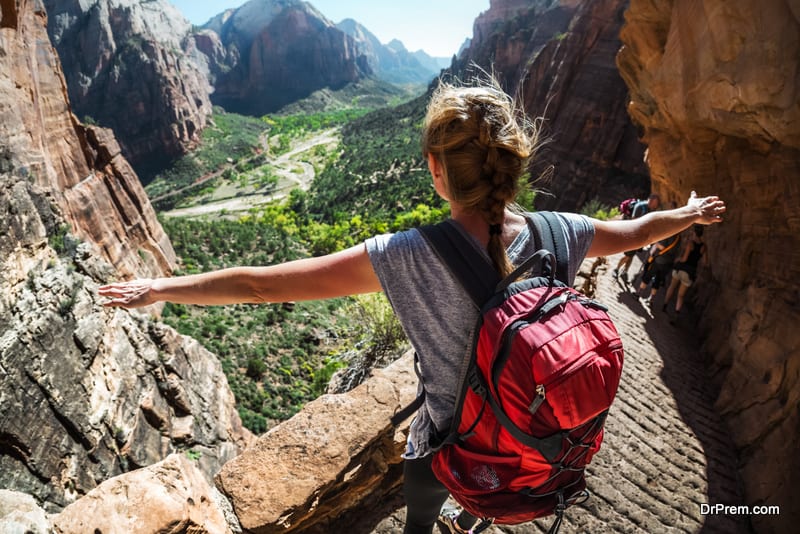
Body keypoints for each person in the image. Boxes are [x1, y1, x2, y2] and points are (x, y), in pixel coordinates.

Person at [98, 78, 727, 534]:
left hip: (449, 447)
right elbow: (640, 234)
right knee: (495, 486)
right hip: (543, 443)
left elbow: (261, 285)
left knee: (420, 512)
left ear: (435, 170)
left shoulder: (407, 255)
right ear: (512, 164)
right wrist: (689, 214)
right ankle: (481, 514)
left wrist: (159, 288)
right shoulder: (563, 230)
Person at [611, 193, 661, 283]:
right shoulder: (640, 206)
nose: (657, 205)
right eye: (656, 203)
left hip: (640, 237)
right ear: (652, 200)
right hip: (633, 235)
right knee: (628, 255)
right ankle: (616, 269)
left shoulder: (650, 209)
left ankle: (625, 271)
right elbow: (634, 221)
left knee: (632, 255)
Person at [662, 224, 706, 321]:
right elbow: (704, 262)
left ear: (694, 232)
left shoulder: (690, 243)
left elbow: (684, 259)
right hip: (690, 272)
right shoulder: (703, 247)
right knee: (681, 295)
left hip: (681, 269)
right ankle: (676, 314)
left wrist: (678, 259)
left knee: (672, 287)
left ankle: (664, 305)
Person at [635, 231, 681, 307]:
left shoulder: (669, 234)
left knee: (648, 275)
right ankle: (651, 300)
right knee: (658, 280)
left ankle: (638, 293)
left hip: (659, 260)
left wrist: (656, 242)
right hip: (668, 263)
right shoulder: (678, 238)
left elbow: (662, 246)